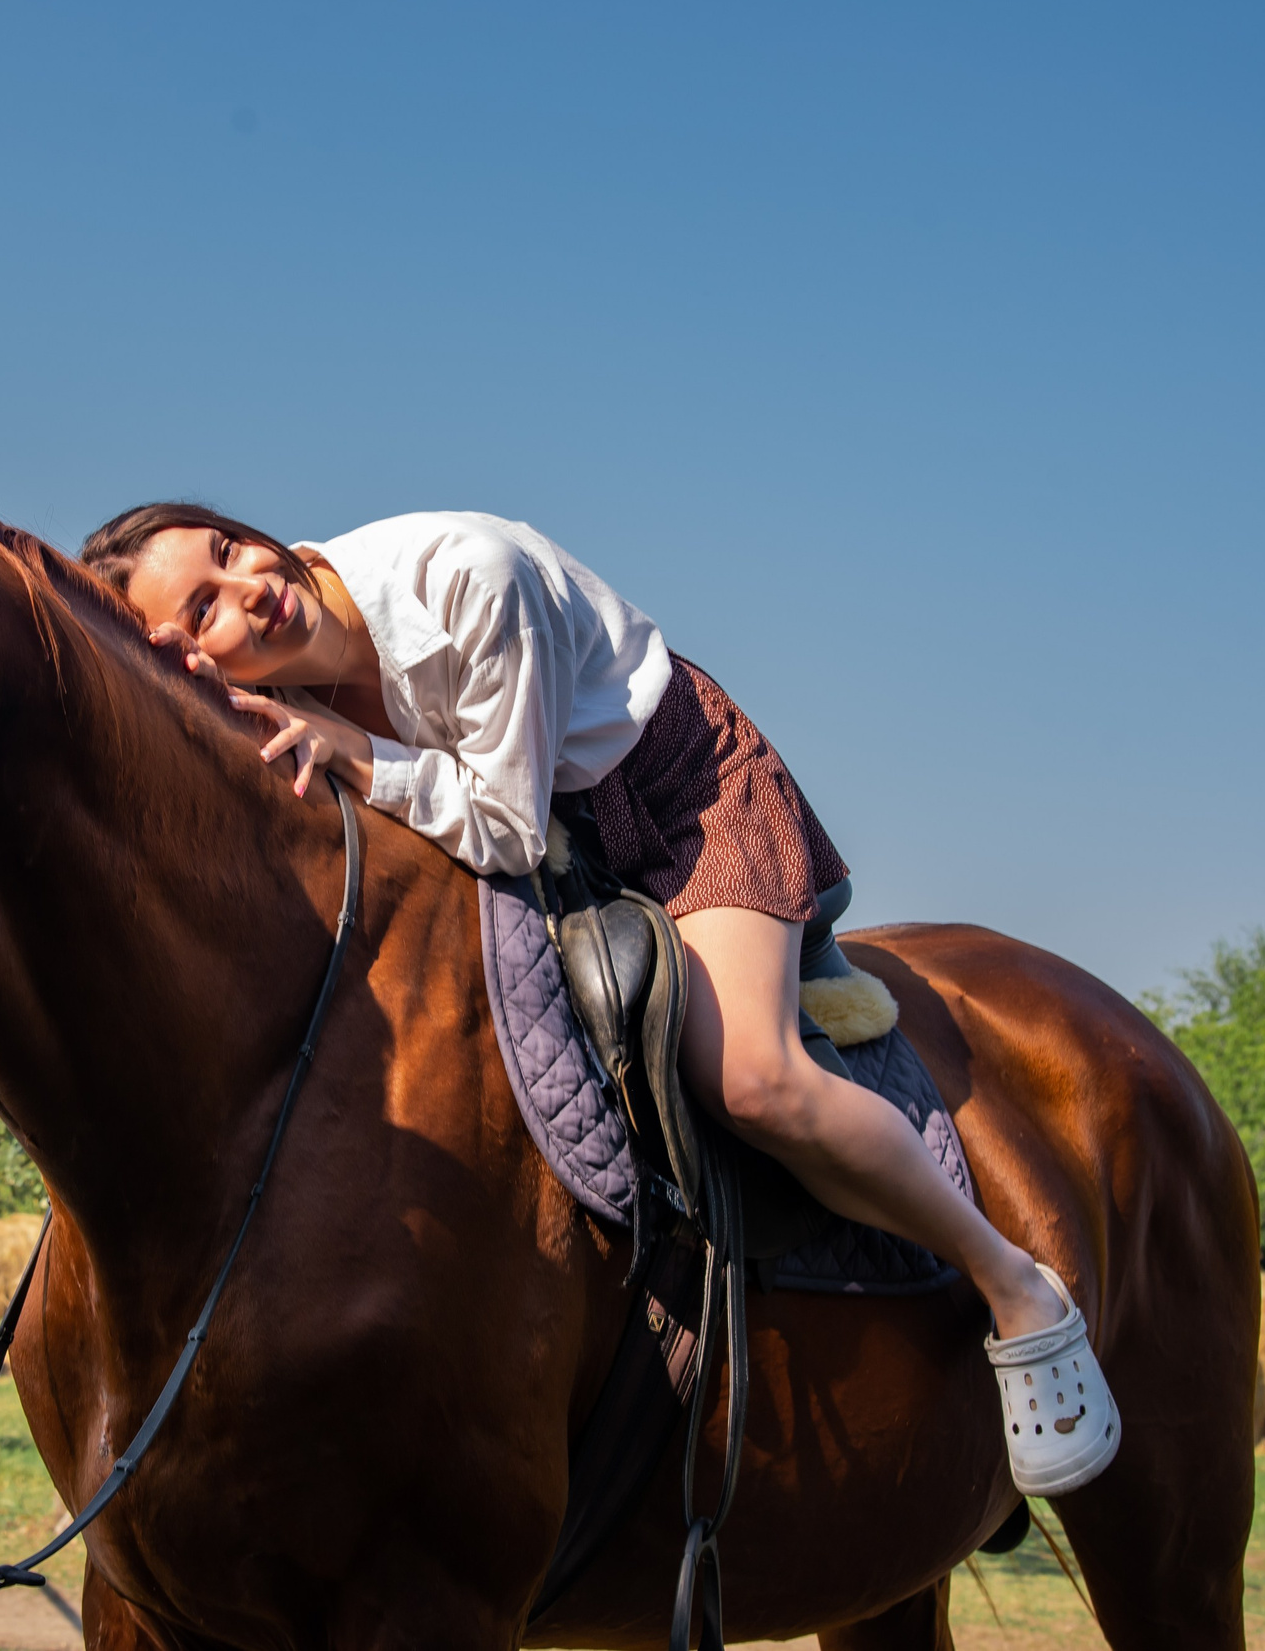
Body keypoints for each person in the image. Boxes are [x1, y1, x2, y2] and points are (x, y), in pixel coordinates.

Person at [78, 502, 1120, 1495]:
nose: (250, 585)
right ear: (185, 660)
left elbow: (505, 829)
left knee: (751, 1077)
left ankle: (1016, 1286)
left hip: (680, 794)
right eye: (203, 608)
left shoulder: (467, 579)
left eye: (227, 549)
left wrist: (361, 756)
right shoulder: (277, 696)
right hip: (551, 821)